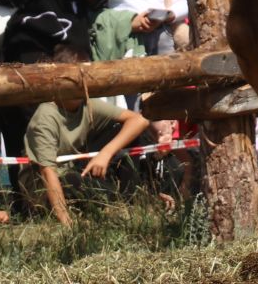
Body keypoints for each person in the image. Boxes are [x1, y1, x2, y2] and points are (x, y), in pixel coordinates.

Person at [22, 46, 158, 226]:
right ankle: (112, 201)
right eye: (77, 80)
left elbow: (139, 120)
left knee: (130, 135)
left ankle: (132, 201)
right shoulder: (46, 116)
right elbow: (48, 173)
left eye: (86, 78)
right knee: (76, 183)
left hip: (76, 172)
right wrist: (66, 223)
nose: (83, 85)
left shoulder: (87, 104)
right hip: (45, 189)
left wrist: (106, 152)